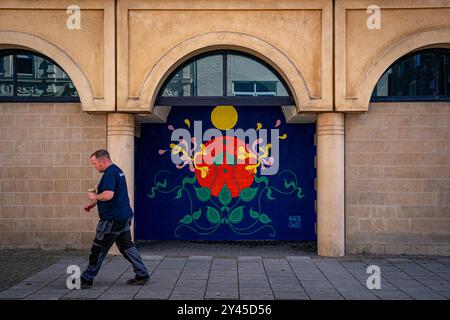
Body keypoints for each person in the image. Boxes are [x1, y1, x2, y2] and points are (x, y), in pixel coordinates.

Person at [81, 149, 149, 289]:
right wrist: (92, 204)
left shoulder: (110, 173)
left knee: (98, 249)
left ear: (102, 160)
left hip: (112, 220)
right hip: (123, 216)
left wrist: (95, 197)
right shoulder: (117, 170)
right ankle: (142, 274)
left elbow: (108, 195)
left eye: (95, 164)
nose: (95, 167)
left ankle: (86, 279)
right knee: (127, 247)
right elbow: (109, 194)